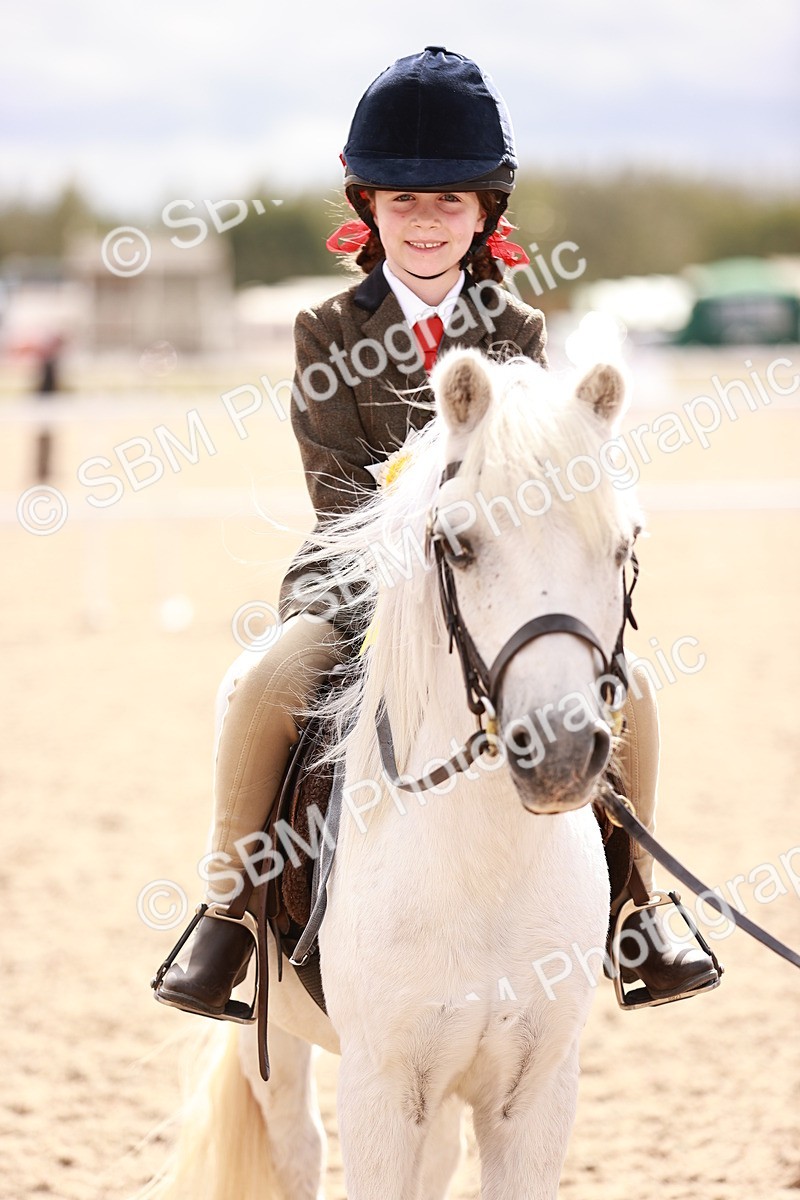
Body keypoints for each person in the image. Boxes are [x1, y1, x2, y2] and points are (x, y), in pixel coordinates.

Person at [154, 46, 719, 1018]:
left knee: (634, 687)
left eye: (448, 203)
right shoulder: (327, 329)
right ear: (368, 208)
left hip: (502, 583)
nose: (425, 222)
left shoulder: (519, 331)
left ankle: (636, 909)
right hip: (358, 585)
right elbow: (336, 490)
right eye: (404, 204)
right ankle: (226, 913)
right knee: (266, 679)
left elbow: (547, 481)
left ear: (482, 214)